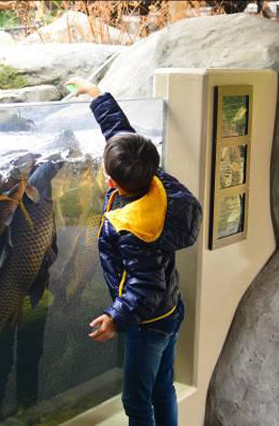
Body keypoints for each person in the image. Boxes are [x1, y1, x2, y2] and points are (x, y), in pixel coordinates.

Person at [64, 78, 202, 426]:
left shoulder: (135, 227)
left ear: (111, 182)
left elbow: (145, 285)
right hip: (170, 308)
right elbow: (121, 134)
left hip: (148, 323)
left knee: (137, 401)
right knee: (162, 388)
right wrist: (98, 97)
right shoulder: (157, 181)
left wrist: (116, 317)